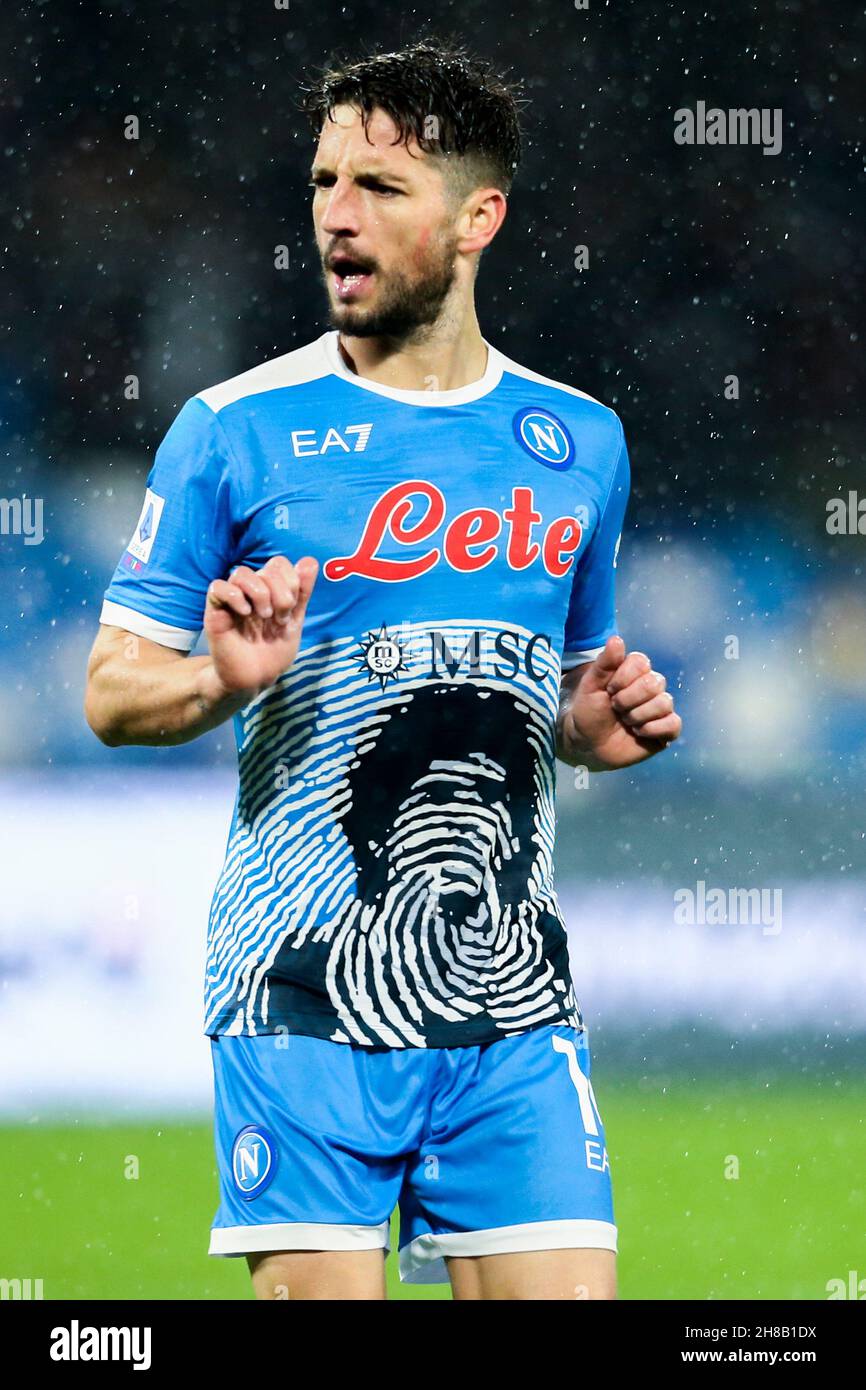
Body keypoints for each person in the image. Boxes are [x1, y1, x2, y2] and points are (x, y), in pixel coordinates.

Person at [85, 39, 681, 1301]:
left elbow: (565, 687)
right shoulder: (232, 431)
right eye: (321, 183)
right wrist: (221, 683)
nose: (335, 219)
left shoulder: (579, 442)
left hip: (511, 995)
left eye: (378, 188)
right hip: (299, 995)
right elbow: (112, 692)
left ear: (479, 219)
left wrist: (592, 722)